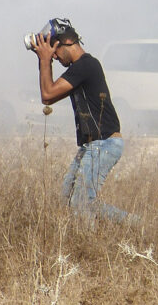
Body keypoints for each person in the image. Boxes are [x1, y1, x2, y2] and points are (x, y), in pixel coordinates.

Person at [33, 19, 130, 222]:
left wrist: (44, 60)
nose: (55, 57)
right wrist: (46, 60)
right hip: (94, 144)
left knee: (81, 203)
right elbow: (48, 97)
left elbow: (47, 93)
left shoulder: (86, 65)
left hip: (104, 143)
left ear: (66, 42)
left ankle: (137, 226)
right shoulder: (80, 68)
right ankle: (134, 225)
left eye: (55, 51)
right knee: (69, 199)